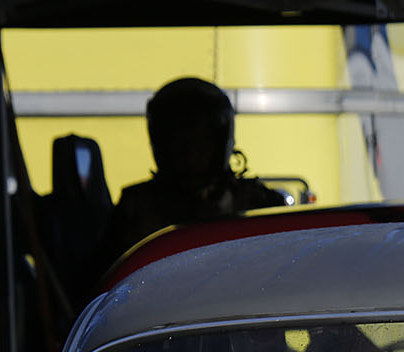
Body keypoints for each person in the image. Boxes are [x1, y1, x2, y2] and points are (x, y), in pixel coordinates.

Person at [97, 77, 288, 269]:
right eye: (180, 141)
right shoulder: (133, 210)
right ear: (162, 144)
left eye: (201, 141)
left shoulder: (261, 205)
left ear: (219, 141)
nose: (190, 153)